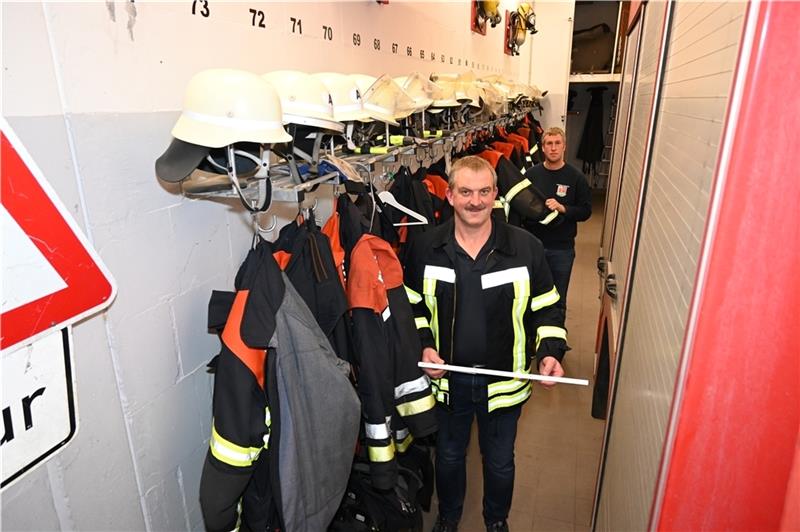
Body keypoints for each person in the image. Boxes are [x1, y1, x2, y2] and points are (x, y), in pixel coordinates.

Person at [404, 156, 569, 532]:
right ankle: (448, 519)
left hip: (504, 383)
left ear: (496, 194)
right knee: (447, 457)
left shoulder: (526, 248)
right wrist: (424, 345)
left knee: (499, 462)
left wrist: (549, 352)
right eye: (465, 192)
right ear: (449, 195)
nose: (475, 202)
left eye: (483, 192)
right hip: (447, 382)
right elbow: (411, 307)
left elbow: (547, 307)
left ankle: (496, 521)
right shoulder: (424, 247)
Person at [524, 127, 592, 315]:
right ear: (543, 148)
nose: (553, 148)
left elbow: (586, 211)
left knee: (558, 298)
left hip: (562, 249)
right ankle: (531, 340)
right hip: (533, 247)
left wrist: (564, 208)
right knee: (529, 296)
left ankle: (555, 342)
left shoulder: (576, 178)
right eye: (549, 144)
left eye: (557, 143)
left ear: (564, 147)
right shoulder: (531, 176)